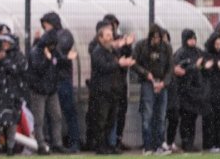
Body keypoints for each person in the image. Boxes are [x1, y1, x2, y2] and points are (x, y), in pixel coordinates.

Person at [88, 20, 137, 155]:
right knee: (101, 120)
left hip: (114, 91)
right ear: (100, 38)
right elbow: (104, 67)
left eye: (111, 35)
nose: (111, 38)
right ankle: (100, 146)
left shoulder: (112, 51)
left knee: (111, 119)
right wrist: (119, 64)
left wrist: (127, 47)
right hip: (102, 91)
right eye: (108, 35)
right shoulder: (97, 52)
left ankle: (109, 145)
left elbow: (121, 59)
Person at [38, 12, 80, 153]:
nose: (46, 28)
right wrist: (62, 57)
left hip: (63, 80)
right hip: (51, 81)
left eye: (47, 25)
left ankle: (75, 142)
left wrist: (53, 54)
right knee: (52, 114)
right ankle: (54, 142)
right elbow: (42, 52)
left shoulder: (65, 34)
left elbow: (56, 51)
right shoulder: (47, 37)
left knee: (69, 112)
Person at [130, 24, 173, 155]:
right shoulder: (141, 46)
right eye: (154, 38)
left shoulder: (166, 48)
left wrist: (164, 83)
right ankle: (148, 146)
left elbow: (170, 68)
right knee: (147, 115)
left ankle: (159, 145)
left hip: (161, 84)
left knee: (161, 116)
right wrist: (146, 74)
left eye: (159, 38)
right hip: (147, 83)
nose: (156, 40)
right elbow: (134, 63)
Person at [0, 34, 27, 156]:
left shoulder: (18, 56)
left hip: (13, 93)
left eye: (8, 42)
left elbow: (18, 68)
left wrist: (3, 60)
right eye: (3, 42)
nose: (5, 45)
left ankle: (10, 146)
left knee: (12, 121)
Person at [27, 32, 70, 154]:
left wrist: (66, 59)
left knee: (57, 116)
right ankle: (40, 144)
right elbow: (39, 69)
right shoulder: (36, 52)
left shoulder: (54, 51)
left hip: (51, 90)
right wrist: (47, 59)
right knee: (39, 119)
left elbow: (59, 63)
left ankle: (57, 143)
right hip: (38, 90)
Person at [169, 29, 207, 152]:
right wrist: (194, 67)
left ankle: (191, 141)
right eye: (190, 38)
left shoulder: (198, 52)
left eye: (194, 38)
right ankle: (185, 142)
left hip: (196, 91)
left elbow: (205, 63)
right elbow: (179, 70)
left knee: (193, 117)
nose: (193, 41)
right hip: (184, 91)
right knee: (186, 118)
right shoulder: (180, 53)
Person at [201, 33, 220, 153]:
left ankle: (219, 143)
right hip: (210, 92)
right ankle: (209, 144)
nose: (218, 46)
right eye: (216, 44)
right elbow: (203, 69)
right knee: (210, 118)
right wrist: (207, 66)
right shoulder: (207, 54)